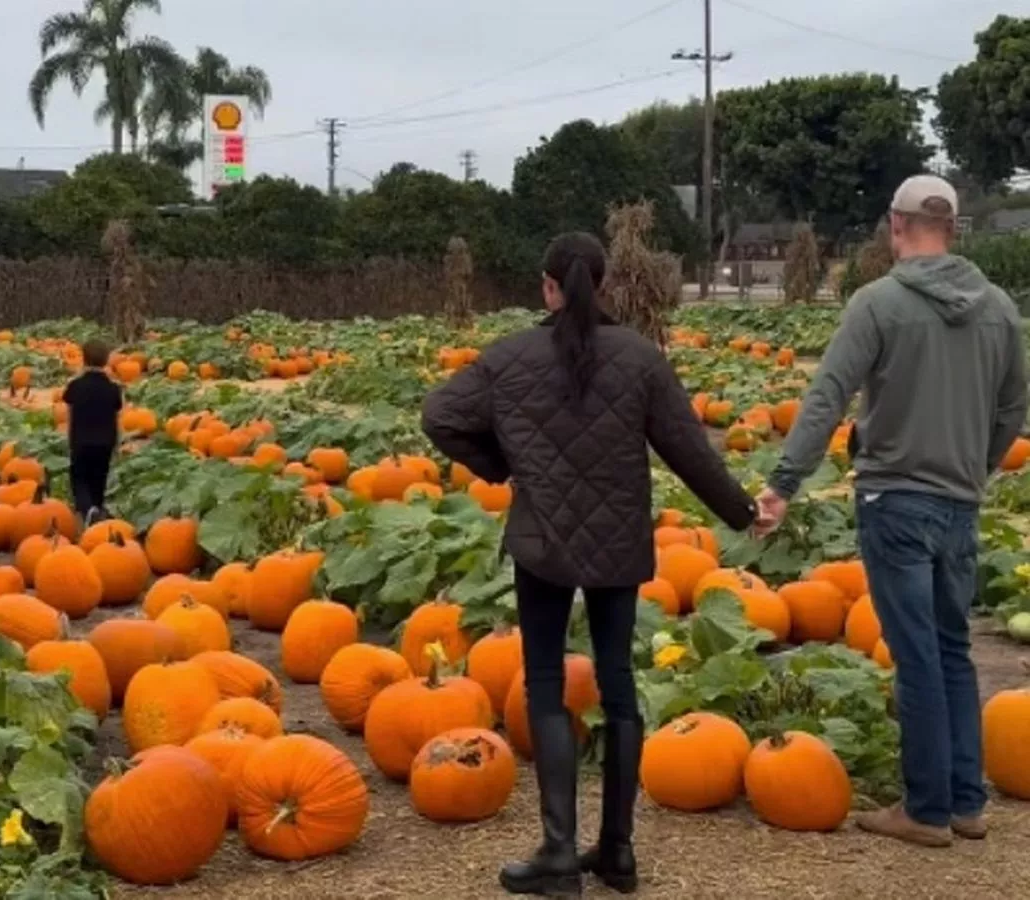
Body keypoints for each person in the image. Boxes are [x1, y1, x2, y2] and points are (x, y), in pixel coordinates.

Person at [422, 232, 760, 896]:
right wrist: (744, 512)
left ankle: (556, 853)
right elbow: (690, 451)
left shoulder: (510, 357)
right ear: (599, 285)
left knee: (545, 684)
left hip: (543, 542)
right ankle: (618, 852)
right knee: (618, 686)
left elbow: (439, 415)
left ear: (547, 285)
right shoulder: (639, 358)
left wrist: (501, 465)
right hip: (618, 542)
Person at [754, 174, 1028, 847]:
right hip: (960, 503)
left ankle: (927, 810)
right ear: (954, 227)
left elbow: (826, 397)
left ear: (894, 225)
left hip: (895, 499)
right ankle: (966, 802)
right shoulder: (998, 308)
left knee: (917, 658)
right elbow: (1014, 410)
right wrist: (981, 468)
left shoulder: (876, 303)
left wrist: (784, 482)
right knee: (954, 647)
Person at [63, 340, 123, 527]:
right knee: (99, 477)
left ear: (84, 360)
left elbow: (70, 414)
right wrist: (118, 442)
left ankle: (88, 509)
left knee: (79, 478)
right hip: (105, 441)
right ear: (106, 361)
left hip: (81, 440)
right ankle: (96, 508)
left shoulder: (75, 386)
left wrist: (69, 437)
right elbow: (117, 417)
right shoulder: (113, 389)